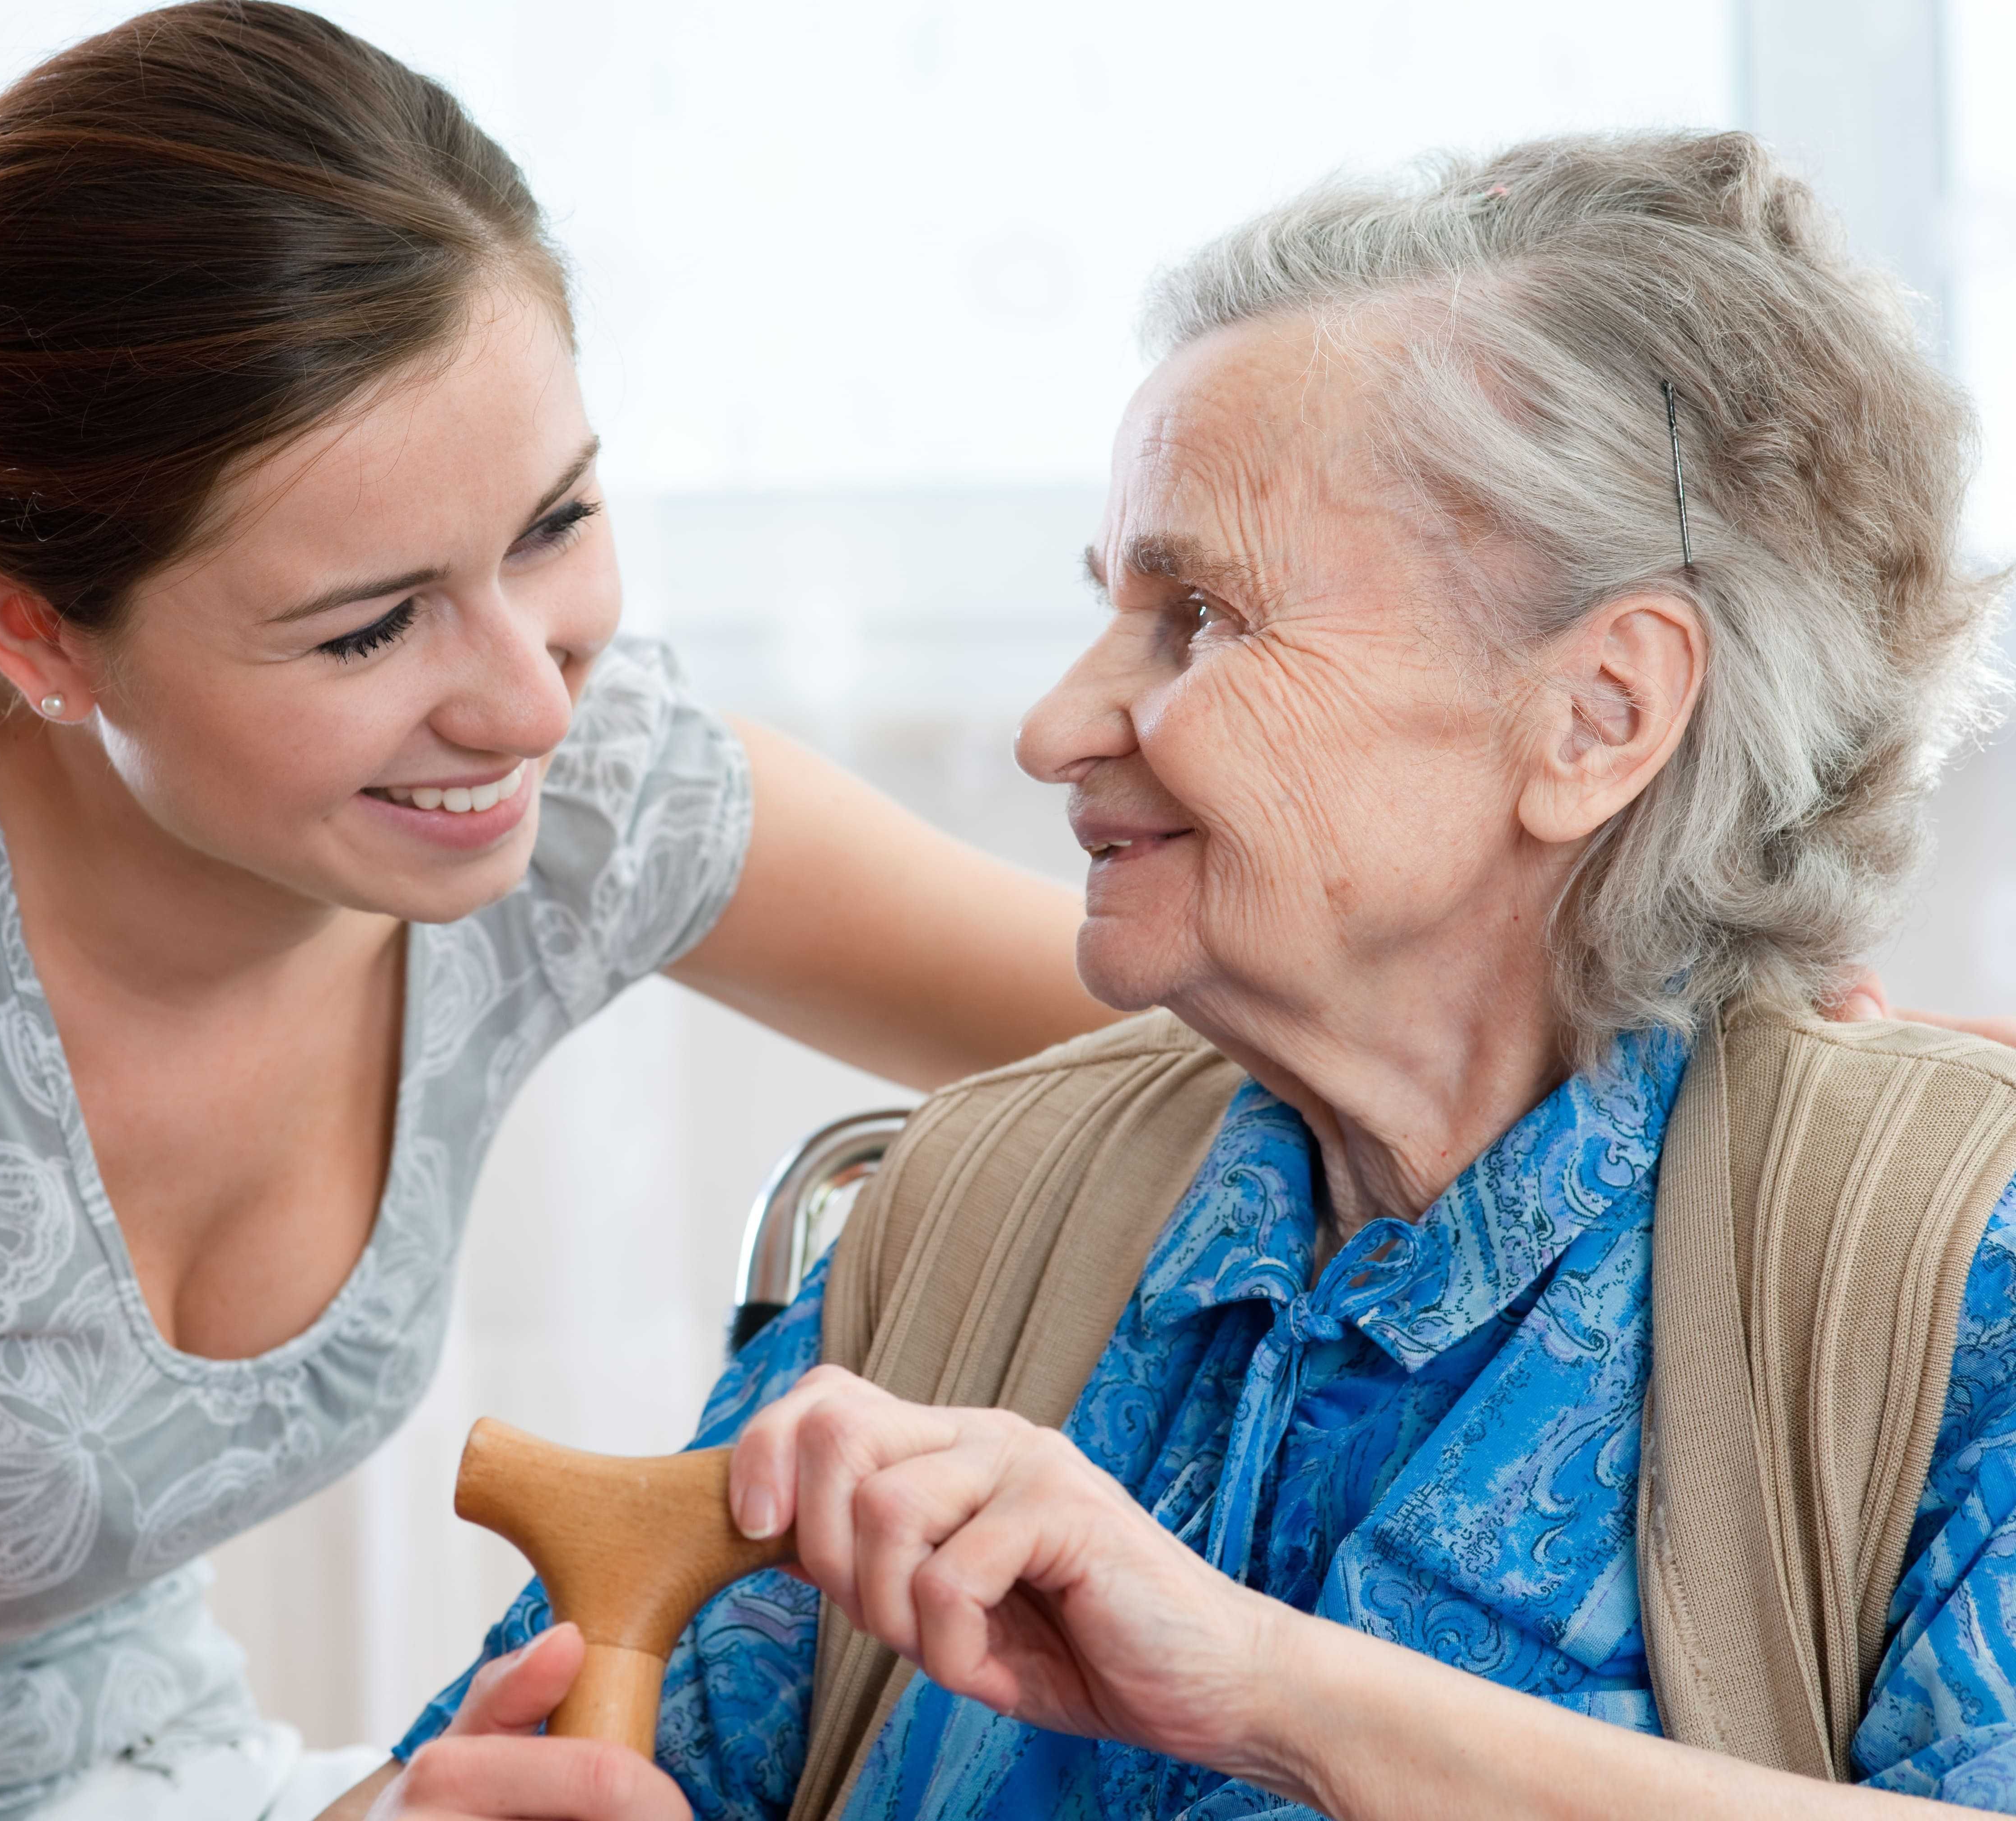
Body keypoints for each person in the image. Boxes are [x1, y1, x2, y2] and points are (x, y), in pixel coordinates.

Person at [0, 7, 1124, 1816]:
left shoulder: (572, 785)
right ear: (29, 630)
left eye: (553, 523)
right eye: (363, 627)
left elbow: (1214, 1022)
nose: (528, 701)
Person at [370, 131, 2016, 1820]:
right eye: (1112, 605)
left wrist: (1268, 1690)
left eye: (1202, 617)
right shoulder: (979, 1203)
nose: (1054, 728)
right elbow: (533, 1766)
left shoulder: (1953, 1273)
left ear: (1598, 715)